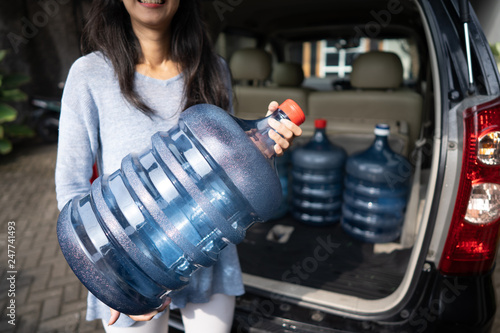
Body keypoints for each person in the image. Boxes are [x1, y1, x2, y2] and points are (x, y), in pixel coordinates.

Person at [55, 0, 302, 332]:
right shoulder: (89, 74)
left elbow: (231, 171)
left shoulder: (214, 69)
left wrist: (265, 145)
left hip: (205, 252)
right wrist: (107, 281)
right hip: (129, 263)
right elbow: (71, 183)